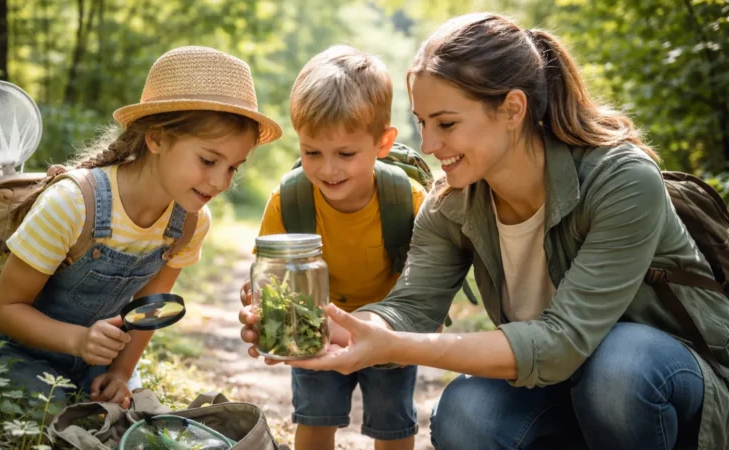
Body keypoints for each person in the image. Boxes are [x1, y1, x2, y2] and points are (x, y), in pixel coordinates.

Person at [241, 13, 729, 450]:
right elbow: (410, 306)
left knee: (620, 366)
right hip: (564, 388)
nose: (429, 145)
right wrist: (341, 330)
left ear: (513, 110)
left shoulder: (620, 179)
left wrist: (395, 346)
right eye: (422, 123)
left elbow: (562, 342)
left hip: (666, 382)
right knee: (466, 413)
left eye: (446, 123)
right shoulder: (452, 205)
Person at [0, 45, 282, 409]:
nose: (220, 182)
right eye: (208, 160)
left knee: (133, 414)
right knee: (54, 410)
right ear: (156, 139)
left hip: (98, 360)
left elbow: (147, 310)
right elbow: (4, 309)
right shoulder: (73, 204)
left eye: (233, 167)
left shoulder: (189, 223)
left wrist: (121, 372)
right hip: (21, 350)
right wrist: (78, 340)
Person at [240, 45, 427, 450]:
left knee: (393, 423)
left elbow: (426, 285)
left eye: (345, 153)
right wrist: (262, 306)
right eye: (312, 152)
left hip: (388, 334)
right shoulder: (288, 201)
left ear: (382, 142)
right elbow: (271, 274)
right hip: (316, 332)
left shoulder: (407, 201)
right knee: (315, 417)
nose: (328, 169)